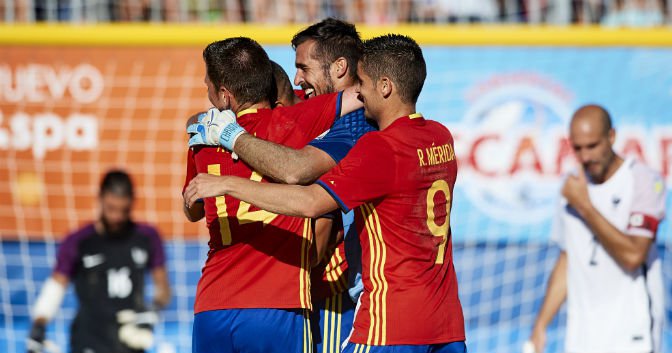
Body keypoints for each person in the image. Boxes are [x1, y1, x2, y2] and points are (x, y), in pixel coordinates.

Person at [184, 34, 467, 353]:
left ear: (385, 86)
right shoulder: (440, 138)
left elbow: (309, 200)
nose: (357, 92)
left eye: (361, 82)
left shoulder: (378, 148)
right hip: (445, 323)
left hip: (390, 322)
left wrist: (229, 179)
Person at [189, 18, 376, 353]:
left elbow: (297, 174)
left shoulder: (359, 123)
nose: (299, 80)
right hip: (288, 296)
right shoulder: (298, 121)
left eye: (304, 68)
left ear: (340, 68)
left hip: (331, 294)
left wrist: (225, 135)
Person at [528, 105, 666, 353]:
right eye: (577, 148)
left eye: (592, 146)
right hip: (583, 335)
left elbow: (634, 256)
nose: (585, 156)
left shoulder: (644, 181)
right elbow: (568, 258)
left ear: (611, 137)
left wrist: (585, 206)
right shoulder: (571, 186)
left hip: (633, 335)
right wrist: (541, 324)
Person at [27, 170, 171, 353]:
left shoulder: (147, 237)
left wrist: (153, 310)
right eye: (111, 208)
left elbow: (163, 288)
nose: (117, 217)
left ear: (132, 203)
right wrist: (39, 325)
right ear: (100, 199)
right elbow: (56, 285)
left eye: (124, 210)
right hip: (89, 338)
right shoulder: (79, 241)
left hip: (130, 337)